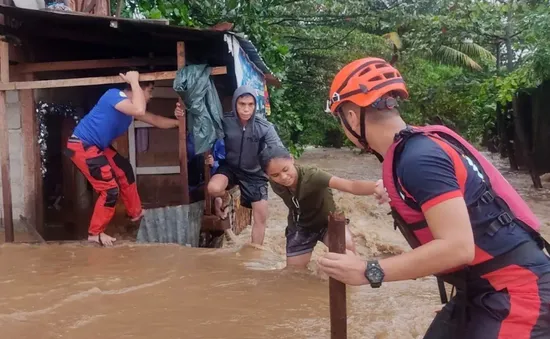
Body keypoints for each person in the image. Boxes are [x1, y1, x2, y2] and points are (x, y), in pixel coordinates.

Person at [317, 57, 550, 338]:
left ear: (351, 116)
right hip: (481, 287)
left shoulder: (418, 159)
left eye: (341, 119)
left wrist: (369, 271)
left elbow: (458, 247)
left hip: (518, 291)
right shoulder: (414, 151)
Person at [66, 71, 182, 247]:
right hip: (82, 146)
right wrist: (135, 81)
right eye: (149, 91)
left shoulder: (129, 108)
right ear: (139, 90)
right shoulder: (114, 95)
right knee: (110, 189)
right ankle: (94, 234)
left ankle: (135, 213)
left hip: (98, 147)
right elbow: (140, 109)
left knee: (124, 170)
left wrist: (179, 122)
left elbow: (156, 120)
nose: (150, 96)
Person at [259, 145, 387, 268]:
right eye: (275, 175)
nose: (283, 177)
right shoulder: (273, 182)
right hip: (301, 226)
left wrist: (378, 187)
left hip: (329, 223)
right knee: (295, 273)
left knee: (346, 250)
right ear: (267, 175)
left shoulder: (313, 175)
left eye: (285, 169)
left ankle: (354, 284)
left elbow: (350, 185)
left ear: (292, 159)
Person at [206, 85, 284, 245]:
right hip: (230, 168)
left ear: (256, 106)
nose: (246, 109)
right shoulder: (225, 121)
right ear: (235, 103)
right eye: (242, 104)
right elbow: (204, 129)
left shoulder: (264, 127)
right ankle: (225, 197)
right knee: (213, 188)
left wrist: (282, 171)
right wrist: (210, 157)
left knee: (261, 216)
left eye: (250, 104)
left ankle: (255, 255)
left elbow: (279, 151)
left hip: (255, 173)